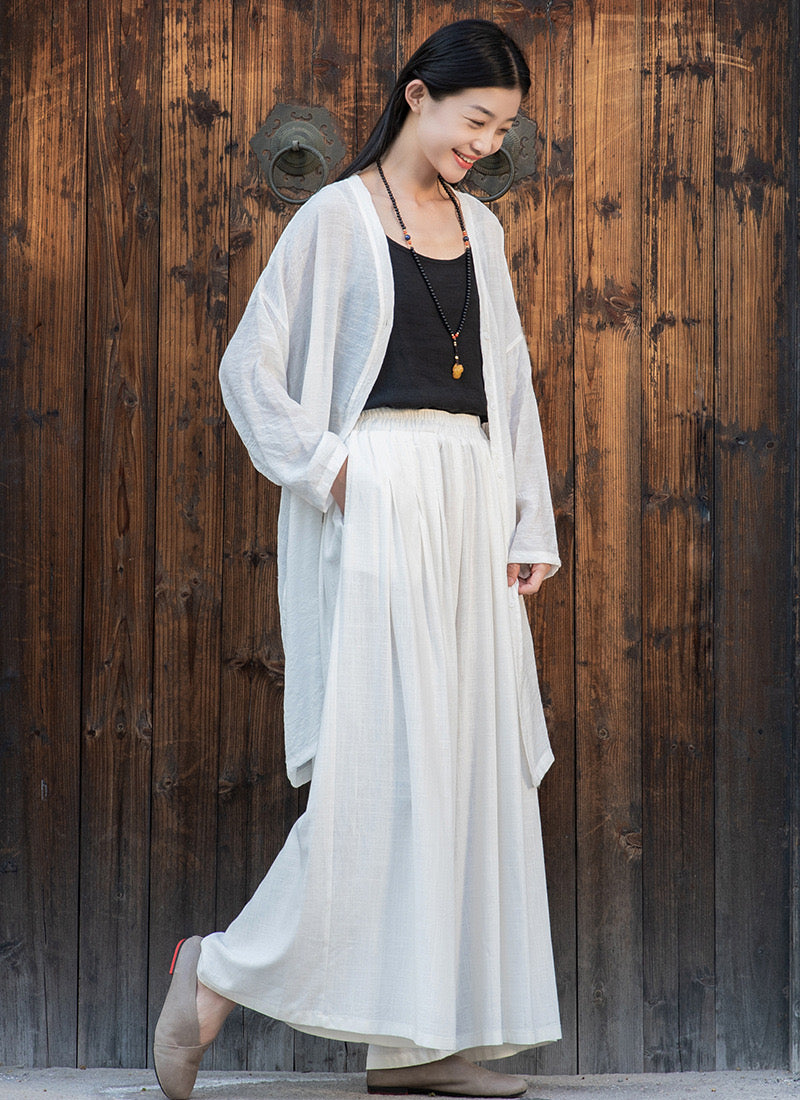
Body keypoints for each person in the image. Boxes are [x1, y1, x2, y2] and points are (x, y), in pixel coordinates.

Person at [153, 19, 562, 1100]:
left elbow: (509, 383)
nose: (485, 144)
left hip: (468, 502)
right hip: (378, 501)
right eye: (475, 120)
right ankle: (214, 971)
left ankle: (417, 1043)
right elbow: (250, 368)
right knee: (378, 773)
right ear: (418, 96)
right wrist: (333, 471)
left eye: (502, 130)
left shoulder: (482, 229)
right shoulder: (335, 219)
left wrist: (527, 522)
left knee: (464, 769)